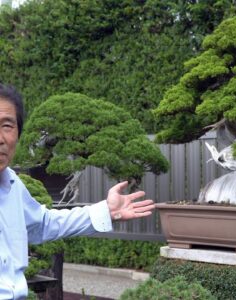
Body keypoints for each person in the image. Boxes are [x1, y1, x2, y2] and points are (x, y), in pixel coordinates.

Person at [0, 84, 155, 299]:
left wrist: (106, 211)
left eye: (7, 126)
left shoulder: (13, 185)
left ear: (18, 132)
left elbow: (42, 223)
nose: (0, 138)